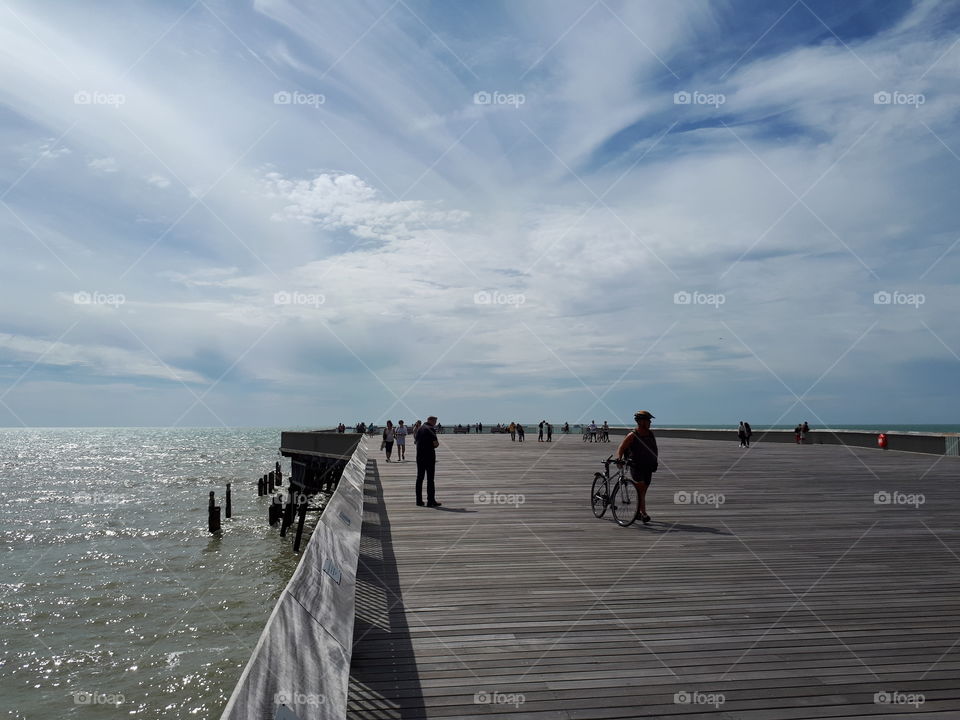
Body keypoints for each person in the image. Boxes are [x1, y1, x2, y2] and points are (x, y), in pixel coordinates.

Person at [616, 410, 658, 524]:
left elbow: (654, 449)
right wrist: (619, 458)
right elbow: (621, 447)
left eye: (649, 420)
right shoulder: (633, 435)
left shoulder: (650, 434)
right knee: (641, 488)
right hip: (636, 466)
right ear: (641, 422)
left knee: (643, 491)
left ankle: (640, 513)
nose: (650, 422)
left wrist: (655, 461)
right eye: (648, 420)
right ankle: (643, 513)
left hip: (648, 466)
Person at [414, 416, 441, 507]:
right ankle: (431, 501)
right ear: (430, 420)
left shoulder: (420, 429)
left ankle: (419, 501)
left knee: (419, 478)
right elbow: (436, 444)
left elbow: (416, 441)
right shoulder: (431, 429)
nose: (435, 423)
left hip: (420, 457)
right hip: (429, 457)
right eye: (435, 421)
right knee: (430, 479)